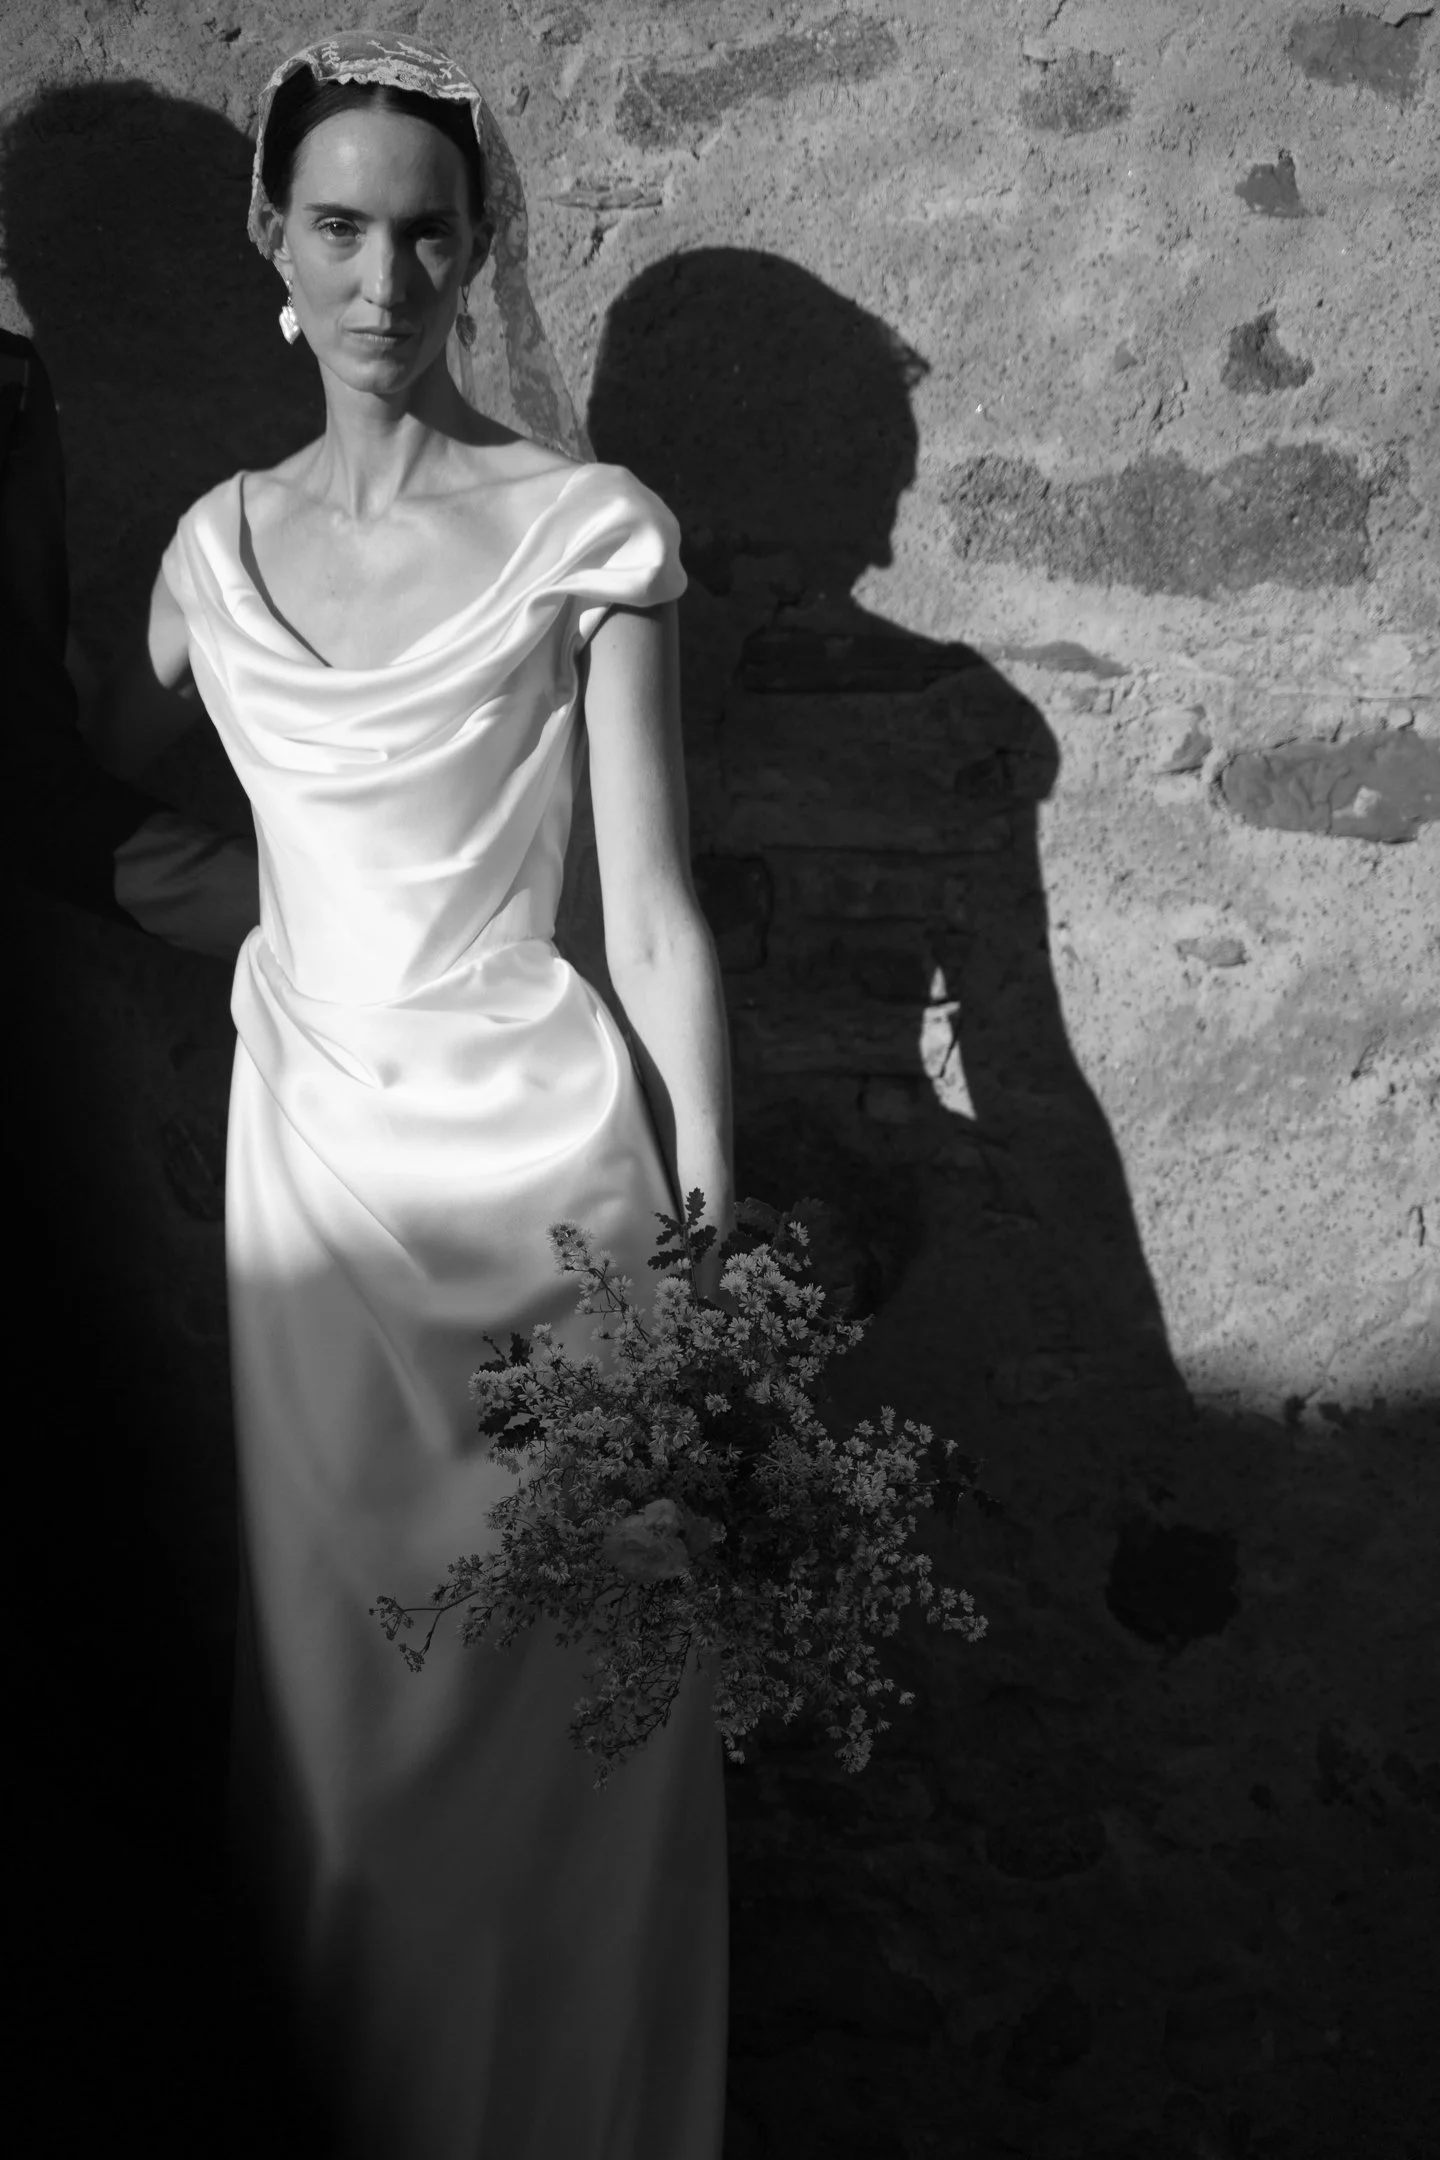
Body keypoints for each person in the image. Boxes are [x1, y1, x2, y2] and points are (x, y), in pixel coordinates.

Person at [84, 33, 732, 2160]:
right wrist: (210, 903)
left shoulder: (583, 531)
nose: (386, 276)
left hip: (549, 1187)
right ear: (273, 241)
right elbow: (134, 822)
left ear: (475, 258)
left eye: (427, 234)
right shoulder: (210, 557)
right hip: (315, 1196)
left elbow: (645, 907)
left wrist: (708, 1234)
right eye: (342, 226)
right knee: (351, 1733)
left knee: (574, 1730)